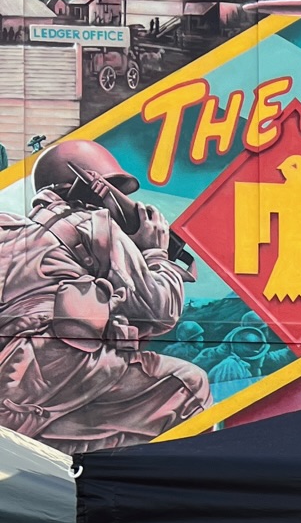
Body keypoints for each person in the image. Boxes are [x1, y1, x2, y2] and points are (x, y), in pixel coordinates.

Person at [0, 138, 208, 452]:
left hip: (13, 392)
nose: (118, 199)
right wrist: (155, 252)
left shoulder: (9, 232)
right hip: (64, 381)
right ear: (88, 186)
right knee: (189, 384)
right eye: (112, 189)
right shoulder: (96, 227)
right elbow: (161, 310)